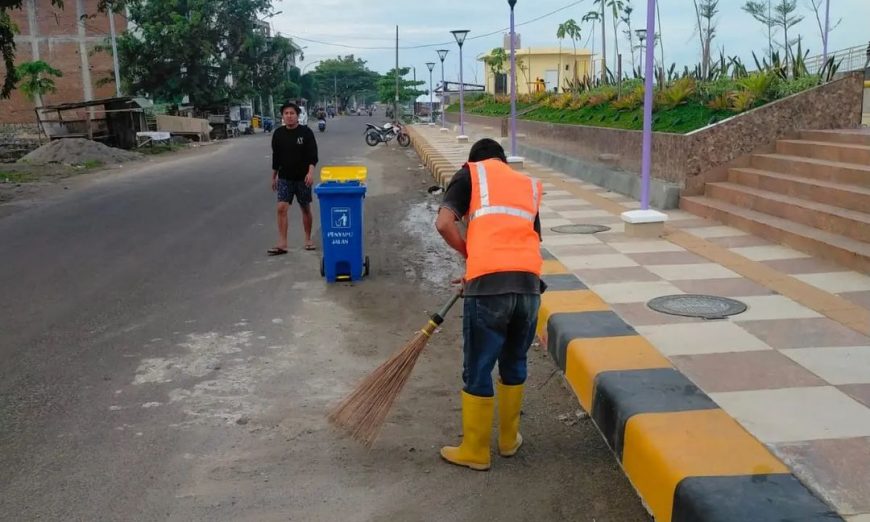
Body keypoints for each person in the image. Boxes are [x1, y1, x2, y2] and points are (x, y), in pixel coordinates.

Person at [435, 138, 544, 471]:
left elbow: (444, 223)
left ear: (475, 160)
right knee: (514, 360)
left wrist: (473, 257)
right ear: (502, 160)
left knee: (479, 366)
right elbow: (528, 240)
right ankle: (509, 440)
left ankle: (475, 450)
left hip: (489, 289)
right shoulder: (526, 185)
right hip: (529, 288)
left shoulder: (472, 174)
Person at [268, 102, 318, 255]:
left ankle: (308, 239)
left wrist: (310, 173)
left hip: (303, 178)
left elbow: (312, 156)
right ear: (282, 116)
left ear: (297, 115)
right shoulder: (278, 134)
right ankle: (282, 243)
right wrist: (274, 177)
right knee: (281, 208)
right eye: (286, 113)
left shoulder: (306, 132)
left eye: (292, 113)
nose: (289, 116)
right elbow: (276, 157)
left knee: (305, 208)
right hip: (285, 178)